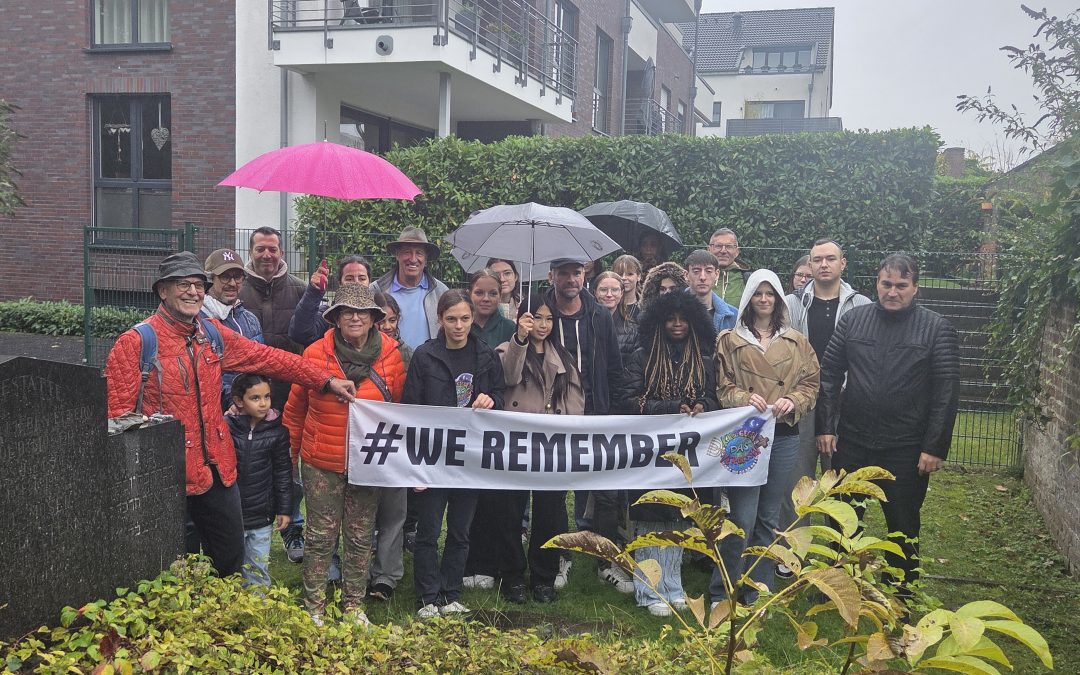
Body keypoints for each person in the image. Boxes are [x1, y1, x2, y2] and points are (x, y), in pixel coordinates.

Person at [104, 252, 356, 577]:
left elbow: (268, 358)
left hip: (217, 471)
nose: (193, 291)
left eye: (198, 285)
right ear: (162, 291)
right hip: (165, 476)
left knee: (229, 560)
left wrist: (324, 379)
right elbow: (115, 418)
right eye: (183, 284)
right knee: (168, 569)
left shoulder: (211, 335)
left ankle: (222, 619)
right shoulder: (137, 343)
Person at [815, 254, 959, 601]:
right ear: (876, 284)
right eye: (886, 284)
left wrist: (934, 446)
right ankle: (840, 585)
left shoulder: (936, 328)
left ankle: (903, 593)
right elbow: (830, 375)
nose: (892, 292)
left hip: (907, 447)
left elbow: (946, 391)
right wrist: (826, 427)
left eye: (901, 286)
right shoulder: (853, 321)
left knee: (903, 523)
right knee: (844, 517)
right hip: (852, 440)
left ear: (915, 288)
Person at [282, 283, 407, 625]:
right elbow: (295, 410)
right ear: (335, 317)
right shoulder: (314, 355)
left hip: (369, 463)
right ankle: (314, 608)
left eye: (362, 311)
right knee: (321, 535)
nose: (355, 316)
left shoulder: (392, 355)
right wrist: (288, 461)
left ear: (373, 318)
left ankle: (354, 606)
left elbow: (401, 412)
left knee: (360, 534)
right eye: (347, 311)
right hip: (322, 461)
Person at [713, 269, 819, 606]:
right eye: (758, 293)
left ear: (778, 298)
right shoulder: (729, 339)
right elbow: (722, 385)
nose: (764, 299)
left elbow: (811, 384)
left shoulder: (797, 341)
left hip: (785, 434)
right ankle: (723, 589)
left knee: (769, 517)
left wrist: (794, 401)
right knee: (741, 516)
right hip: (745, 436)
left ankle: (758, 588)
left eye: (770, 293)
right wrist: (744, 398)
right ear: (748, 298)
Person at [403, 290, 506, 618]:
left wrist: (490, 400)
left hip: (469, 459)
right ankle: (427, 597)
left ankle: (450, 593)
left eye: (464, 318)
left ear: (472, 318)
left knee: (461, 530)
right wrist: (415, 464)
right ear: (440, 320)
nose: (458, 325)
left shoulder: (486, 355)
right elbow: (411, 409)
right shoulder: (424, 356)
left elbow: (500, 397)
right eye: (451, 319)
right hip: (434, 456)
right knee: (429, 530)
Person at [618, 291, 718, 617]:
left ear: (693, 322)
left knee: (677, 518)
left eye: (683, 318)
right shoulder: (642, 356)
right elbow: (630, 401)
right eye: (670, 319)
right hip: (651, 455)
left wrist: (704, 405)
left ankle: (673, 586)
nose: (677, 324)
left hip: (688, 457)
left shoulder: (703, 360)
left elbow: (715, 400)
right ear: (659, 323)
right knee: (651, 520)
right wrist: (673, 407)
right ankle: (648, 590)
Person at [779, 240, 870, 555]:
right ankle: (793, 553)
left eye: (830, 258)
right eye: (817, 259)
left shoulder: (862, 306)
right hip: (801, 402)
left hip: (844, 404)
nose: (823, 264)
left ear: (843, 263)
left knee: (841, 481)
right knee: (795, 481)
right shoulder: (791, 304)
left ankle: (841, 552)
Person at [494, 295, 586, 603]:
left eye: (548, 319)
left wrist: (568, 433)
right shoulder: (507, 350)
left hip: (551, 448)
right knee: (509, 513)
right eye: (536, 318)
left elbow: (574, 402)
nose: (542, 325)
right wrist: (520, 339)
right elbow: (508, 377)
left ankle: (544, 576)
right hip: (516, 446)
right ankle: (513, 576)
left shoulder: (564, 358)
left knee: (550, 513)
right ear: (522, 318)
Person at [544, 259, 628, 593]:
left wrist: (616, 414)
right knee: (553, 493)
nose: (570, 279)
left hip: (596, 413)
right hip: (554, 416)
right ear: (552, 276)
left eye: (576, 272)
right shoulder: (538, 310)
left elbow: (614, 369)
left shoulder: (600, 316)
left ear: (585, 275)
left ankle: (603, 561)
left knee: (605, 493)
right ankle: (559, 558)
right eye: (563, 272)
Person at [238, 226, 309, 562]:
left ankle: (294, 528)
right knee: (251, 464)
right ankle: (249, 528)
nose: (267, 255)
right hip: (249, 398)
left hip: (288, 393)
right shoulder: (237, 291)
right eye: (260, 249)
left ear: (283, 252)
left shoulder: (300, 291)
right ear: (251, 251)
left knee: (288, 467)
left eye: (273, 249)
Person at [226, 374, 291, 587]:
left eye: (267, 397)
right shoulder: (227, 428)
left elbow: (283, 472)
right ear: (238, 401)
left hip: (261, 515)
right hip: (231, 514)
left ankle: (259, 610)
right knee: (230, 568)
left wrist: (284, 509)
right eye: (255, 398)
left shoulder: (278, 433)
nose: (263, 403)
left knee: (257, 567)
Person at [200, 248, 264, 411]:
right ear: (210, 279)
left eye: (237, 277)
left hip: (248, 410)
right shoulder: (197, 319)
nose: (232, 283)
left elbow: (260, 366)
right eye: (225, 277)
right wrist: (232, 401)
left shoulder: (251, 320)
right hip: (214, 411)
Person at [370, 226, 449, 351]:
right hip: (386, 366)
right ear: (397, 255)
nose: (413, 259)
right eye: (407, 252)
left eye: (419, 253)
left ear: (426, 259)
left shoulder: (441, 292)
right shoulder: (376, 290)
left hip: (428, 366)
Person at [289, 255, 374, 348]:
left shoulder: (379, 314)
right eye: (349, 279)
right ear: (340, 283)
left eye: (362, 279)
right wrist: (314, 292)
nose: (356, 283)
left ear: (369, 282)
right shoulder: (326, 316)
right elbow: (300, 334)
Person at [684, 249, 738, 333]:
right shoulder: (672, 312)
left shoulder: (734, 316)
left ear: (716, 274)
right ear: (686, 275)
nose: (702, 277)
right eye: (696, 271)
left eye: (708, 271)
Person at [593, 270, 639, 361]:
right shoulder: (584, 324)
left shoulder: (633, 330)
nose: (609, 295)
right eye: (603, 290)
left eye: (614, 290)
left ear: (621, 293)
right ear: (595, 292)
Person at [468, 268, 516, 349]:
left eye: (493, 293)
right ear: (469, 294)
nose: (486, 299)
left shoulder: (510, 328)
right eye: (479, 293)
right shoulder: (461, 325)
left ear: (500, 296)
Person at [707, 228, 752, 306]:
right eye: (718, 246)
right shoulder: (699, 277)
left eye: (729, 246)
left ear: (737, 251)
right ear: (709, 249)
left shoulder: (748, 279)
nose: (723, 251)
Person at [486, 258, 521, 323]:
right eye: (496, 275)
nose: (502, 279)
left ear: (516, 276)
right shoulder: (480, 306)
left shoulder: (525, 305)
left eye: (507, 273)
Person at [612, 254, 643, 319]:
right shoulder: (606, 304)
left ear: (638, 276)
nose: (624, 278)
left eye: (630, 274)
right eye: (620, 274)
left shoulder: (646, 307)